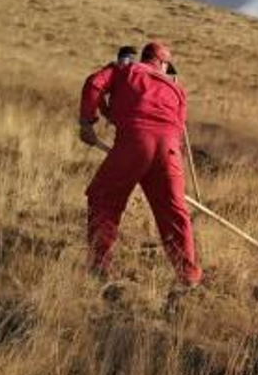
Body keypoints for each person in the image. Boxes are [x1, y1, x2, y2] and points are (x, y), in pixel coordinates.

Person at [77, 42, 202, 287]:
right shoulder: (177, 89)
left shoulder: (125, 70)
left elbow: (94, 84)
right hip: (169, 151)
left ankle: (100, 267)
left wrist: (87, 122)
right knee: (174, 213)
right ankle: (189, 278)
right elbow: (178, 127)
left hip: (134, 143)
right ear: (163, 64)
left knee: (104, 198)